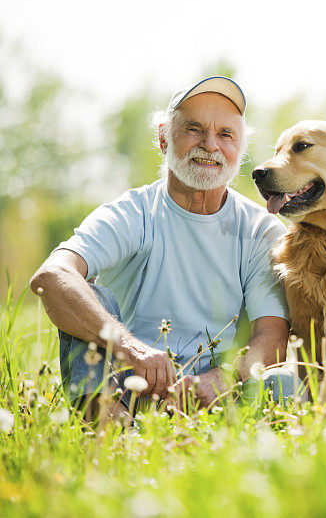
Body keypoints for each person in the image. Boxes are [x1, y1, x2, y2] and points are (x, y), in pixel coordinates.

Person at [29, 76, 292, 415]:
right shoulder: (132, 212)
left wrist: (220, 378)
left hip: (218, 396)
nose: (210, 145)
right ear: (164, 138)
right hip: (129, 387)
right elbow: (51, 276)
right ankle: (112, 434)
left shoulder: (262, 229)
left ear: (239, 149)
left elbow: (271, 338)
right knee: (88, 296)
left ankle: (232, 450)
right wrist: (131, 348)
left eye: (226, 134)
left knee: (287, 384)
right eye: (194, 129)